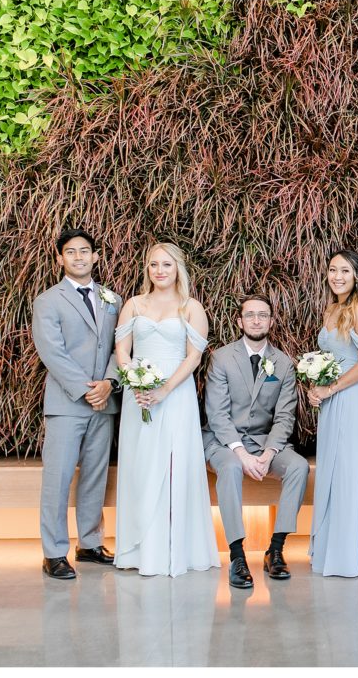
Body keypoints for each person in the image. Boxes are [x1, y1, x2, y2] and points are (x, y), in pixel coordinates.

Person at [113, 242, 220, 576]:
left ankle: (175, 549)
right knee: (141, 467)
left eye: (166, 265)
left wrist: (163, 390)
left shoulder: (191, 307)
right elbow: (122, 349)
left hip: (175, 396)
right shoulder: (133, 304)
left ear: (178, 269)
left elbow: (193, 357)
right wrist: (135, 382)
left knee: (173, 468)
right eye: (153, 265)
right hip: (138, 397)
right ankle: (141, 550)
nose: (159, 271)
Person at [32, 228, 122, 579]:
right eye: (71, 252)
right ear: (60, 258)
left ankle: (90, 544)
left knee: (95, 477)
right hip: (68, 403)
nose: (79, 257)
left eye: (85, 251)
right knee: (58, 478)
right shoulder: (48, 300)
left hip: (104, 402)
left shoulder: (112, 299)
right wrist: (86, 389)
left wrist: (110, 382)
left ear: (96, 256)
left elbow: (121, 346)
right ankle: (53, 552)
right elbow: (51, 351)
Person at [202, 294, 308, 588]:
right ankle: (237, 556)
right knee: (232, 468)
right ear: (240, 321)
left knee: (298, 466)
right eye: (250, 315)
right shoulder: (222, 357)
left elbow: (285, 417)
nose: (257, 320)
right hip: (223, 443)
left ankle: (275, 550)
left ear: (271, 321)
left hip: (265, 443)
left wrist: (269, 451)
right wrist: (241, 454)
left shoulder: (284, 364)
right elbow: (217, 414)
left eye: (263, 315)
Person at [305, 251, 358, 577]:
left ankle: (353, 555)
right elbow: (328, 356)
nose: (338, 276)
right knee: (334, 473)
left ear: (356, 275)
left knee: (351, 472)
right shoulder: (330, 309)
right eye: (333, 269)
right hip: (330, 401)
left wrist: (332, 388)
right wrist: (315, 384)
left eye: (345, 270)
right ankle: (331, 550)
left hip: (351, 400)